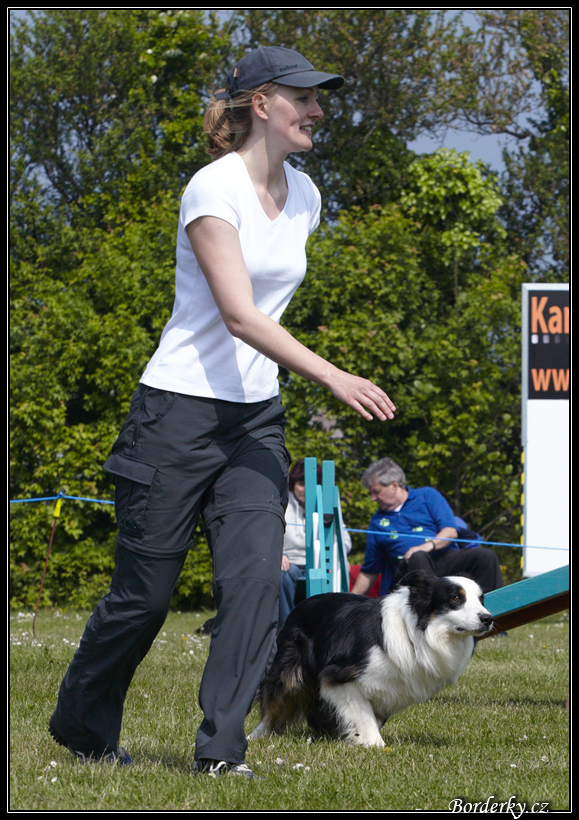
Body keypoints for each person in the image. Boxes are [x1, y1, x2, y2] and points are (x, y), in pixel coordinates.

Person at [48, 46, 395, 779]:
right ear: (261, 103)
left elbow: (265, 314)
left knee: (252, 590)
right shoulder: (213, 189)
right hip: (175, 414)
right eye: (303, 98)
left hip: (253, 420)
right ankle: (82, 718)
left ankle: (219, 752)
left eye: (318, 99)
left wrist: (292, 376)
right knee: (143, 598)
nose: (317, 111)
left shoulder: (305, 195)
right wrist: (331, 374)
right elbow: (239, 315)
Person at [350, 457, 503, 598]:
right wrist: (349, 599)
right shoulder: (377, 521)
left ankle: (495, 615)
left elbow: (450, 531)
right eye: (371, 493)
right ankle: (430, 615)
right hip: (407, 569)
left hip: (443, 557)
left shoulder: (427, 495)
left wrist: (424, 547)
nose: (372, 498)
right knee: (418, 558)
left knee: (485, 556)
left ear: (394, 485)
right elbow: (369, 571)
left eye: (376, 492)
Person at [279, 459, 352, 628]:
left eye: (309, 485)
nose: (305, 490)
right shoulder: (283, 503)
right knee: (284, 574)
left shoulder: (327, 504)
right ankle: (285, 626)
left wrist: (340, 554)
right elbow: (270, 535)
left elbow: (344, 538)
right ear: (293, 485)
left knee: (334, 572)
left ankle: (329, 625)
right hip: (290, 563)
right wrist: (279, 554)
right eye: (301, 484)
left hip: (320, 560)